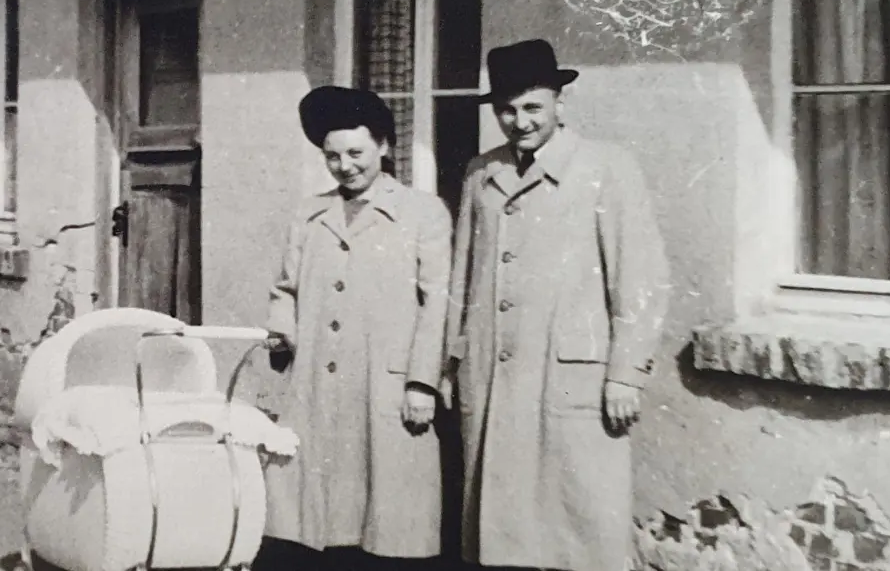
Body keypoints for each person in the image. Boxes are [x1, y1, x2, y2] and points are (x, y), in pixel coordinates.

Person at [446, 39, 671, 571]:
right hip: (493, 373)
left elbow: (641, 277)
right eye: (507, 109)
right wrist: (451, 362)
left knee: (578, 524)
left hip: (571, 376)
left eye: (532, 108)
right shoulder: (481, 174)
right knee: (500, 529)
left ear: (558, 104)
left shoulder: (605, 168)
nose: (520, 121)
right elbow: (462, 275)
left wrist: (625, 374)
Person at [259, 85, 454, 571]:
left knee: (387, 521)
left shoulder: (422, 212)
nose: (345, 166)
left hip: (385, 384)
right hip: (318, 387)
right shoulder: (309, 214)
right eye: (332, 156)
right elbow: (286, 289)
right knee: (316, 522)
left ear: (384, 147)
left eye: (356, 153)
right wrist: (281, 330)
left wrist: (422, 382)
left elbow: (438, 304)